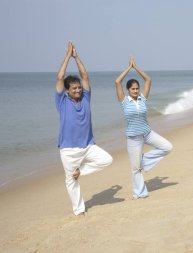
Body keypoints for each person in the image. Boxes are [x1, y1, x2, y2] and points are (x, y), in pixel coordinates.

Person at [55, 42, 113, 215]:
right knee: (70, 181)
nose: (78, 90)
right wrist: (67, 57)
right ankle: (79, 210)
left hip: (88, 146)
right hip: (68, 150)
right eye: (74, 88)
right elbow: (59, 78)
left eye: (79, 87)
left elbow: (85, 76)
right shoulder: (61, 101)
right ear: (67, 91)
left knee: (107, 160)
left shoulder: (86, 98)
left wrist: (76, 57)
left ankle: (82, 171)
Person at [115, 55, 173, 199]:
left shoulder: (142, 98)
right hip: (133, 138)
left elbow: (148, 80)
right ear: (128, 90)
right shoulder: (124, 101)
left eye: (137, 88)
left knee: (167, 147)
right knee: (136, 169)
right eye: (133, 89)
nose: (135, 91)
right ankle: (140, 193)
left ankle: (143, 161)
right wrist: (129, 67)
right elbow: (117, 81)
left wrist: (136, 67)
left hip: (147, 133)